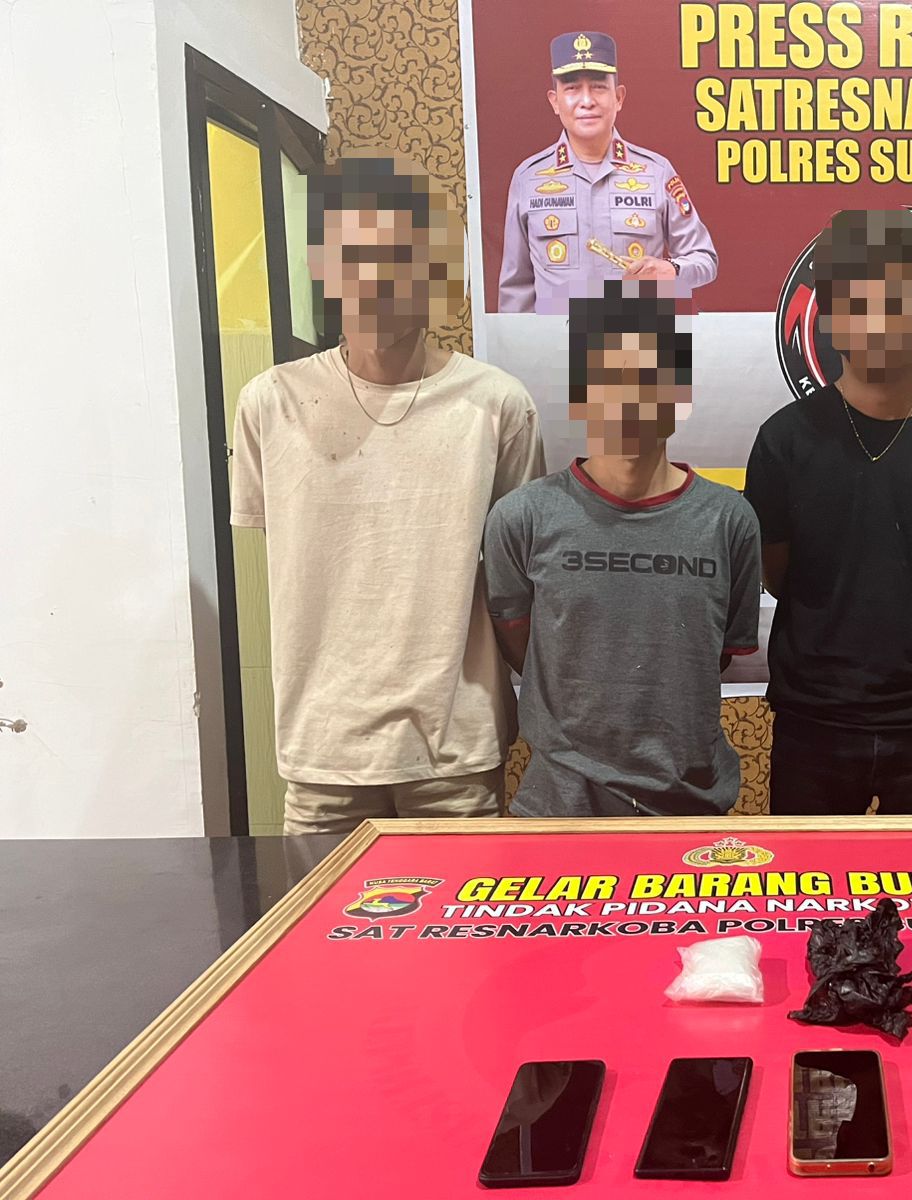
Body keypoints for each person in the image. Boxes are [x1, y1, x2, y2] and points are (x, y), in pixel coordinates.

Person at [230, 155, 544, 834]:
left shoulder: (498, 405)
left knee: (466, 911)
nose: (373, 278)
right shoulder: (269, 403)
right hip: (322, 754)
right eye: (353, 255)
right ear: (322, 265)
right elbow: (293, 559)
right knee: (318, 909)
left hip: (456, 754)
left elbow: (518, 581)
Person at [743, 209, 912, 815]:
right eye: (853, 301)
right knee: (807, 882)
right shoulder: (785, 439)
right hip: (814, 720)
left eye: (893, 300)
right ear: (829, 315)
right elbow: (778, 574)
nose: (873, 321)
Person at [483, 280, 761, 816]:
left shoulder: (729, 521)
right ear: (580, 394)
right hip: (558, 808)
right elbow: (522, 645)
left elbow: (715, 652)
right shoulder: (521, 519)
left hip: (689, 809)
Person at [498, 31, 718, 315]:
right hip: (557, 342)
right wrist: (520, 342)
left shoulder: (657, 172)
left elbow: (704, 259)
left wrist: (671, 270)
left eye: (599, 87)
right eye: (572, 88)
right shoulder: (529, 178)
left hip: (639, 336)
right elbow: (515, 290)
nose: (587, 101)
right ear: (555, 101)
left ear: (619, 97)